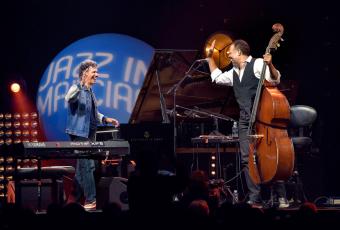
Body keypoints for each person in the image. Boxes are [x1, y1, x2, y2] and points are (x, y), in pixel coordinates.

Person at [206, 39, 289, 208]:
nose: (228, 53)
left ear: (239, 53)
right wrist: (209, 58)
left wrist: (271, 65)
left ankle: (281, 196)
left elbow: (275, 80)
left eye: (230, 51)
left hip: (263, 118)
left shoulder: (258, 64)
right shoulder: (233, 72)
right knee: (246, 159)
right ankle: (254, 197)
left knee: (271, 156)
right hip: (245, 121)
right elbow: (217, 78)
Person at [65, 59, 119, 210]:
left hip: (89, 134)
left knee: (87, 167)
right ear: (85, 73)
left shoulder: (90, 92)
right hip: (79, 134)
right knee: (87, 165)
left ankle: (72, 200)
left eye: (97, 71)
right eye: (94, 72)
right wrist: (80, 85)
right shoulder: (77, 88)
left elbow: (93, 112)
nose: (97, 74)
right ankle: (91, 200)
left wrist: (106, 119)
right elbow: (68, 98)